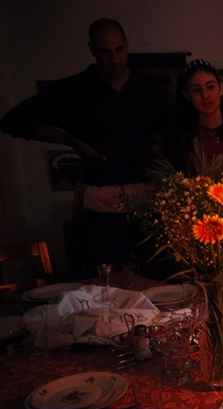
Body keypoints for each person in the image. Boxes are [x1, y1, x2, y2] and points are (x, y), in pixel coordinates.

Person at [0, 18, 167, 271]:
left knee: (156, 275)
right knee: (107, 284)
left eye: (120, 50)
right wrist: (70, 140)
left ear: (127, 46)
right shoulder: (74, 90)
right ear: (92, 50)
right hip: (100, 204)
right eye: (105, 52)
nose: (114, 59)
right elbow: (13, 121)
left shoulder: (150, 88)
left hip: (148, 202)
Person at [165, 59, 223, 177]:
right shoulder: (181, 136)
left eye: (210, 87)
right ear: (187, 95)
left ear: (220, 88)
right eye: (197, 90)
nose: (205, 96)